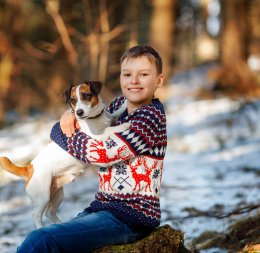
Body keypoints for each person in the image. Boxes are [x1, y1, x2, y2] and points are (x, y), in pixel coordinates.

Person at [16, 45, 167, 253]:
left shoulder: (149, 118)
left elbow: (102, 154)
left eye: (143, 74)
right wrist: (68, 116)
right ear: (121, 78)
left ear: (159, 80)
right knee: (53, 241)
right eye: (127, 74)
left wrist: (63, 133)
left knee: (40, 240)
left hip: (132, 216)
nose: (134, 80)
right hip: (104, 208)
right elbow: (82, 119)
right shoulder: (117, 107)